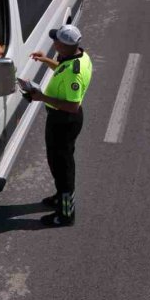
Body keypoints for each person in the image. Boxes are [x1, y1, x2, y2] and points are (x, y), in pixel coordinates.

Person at [22, 25, 93, 227]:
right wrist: (46, 60)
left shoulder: (75, 73)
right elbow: (61, 69)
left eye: (57, 41)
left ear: (66, 45)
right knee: (57, 162)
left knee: (63, 168)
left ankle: (65, 215)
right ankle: (59, 197)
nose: (54, 43)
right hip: (60, 119)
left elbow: (72, 106)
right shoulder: (78, 57)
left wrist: (41, 97)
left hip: (64, 121)